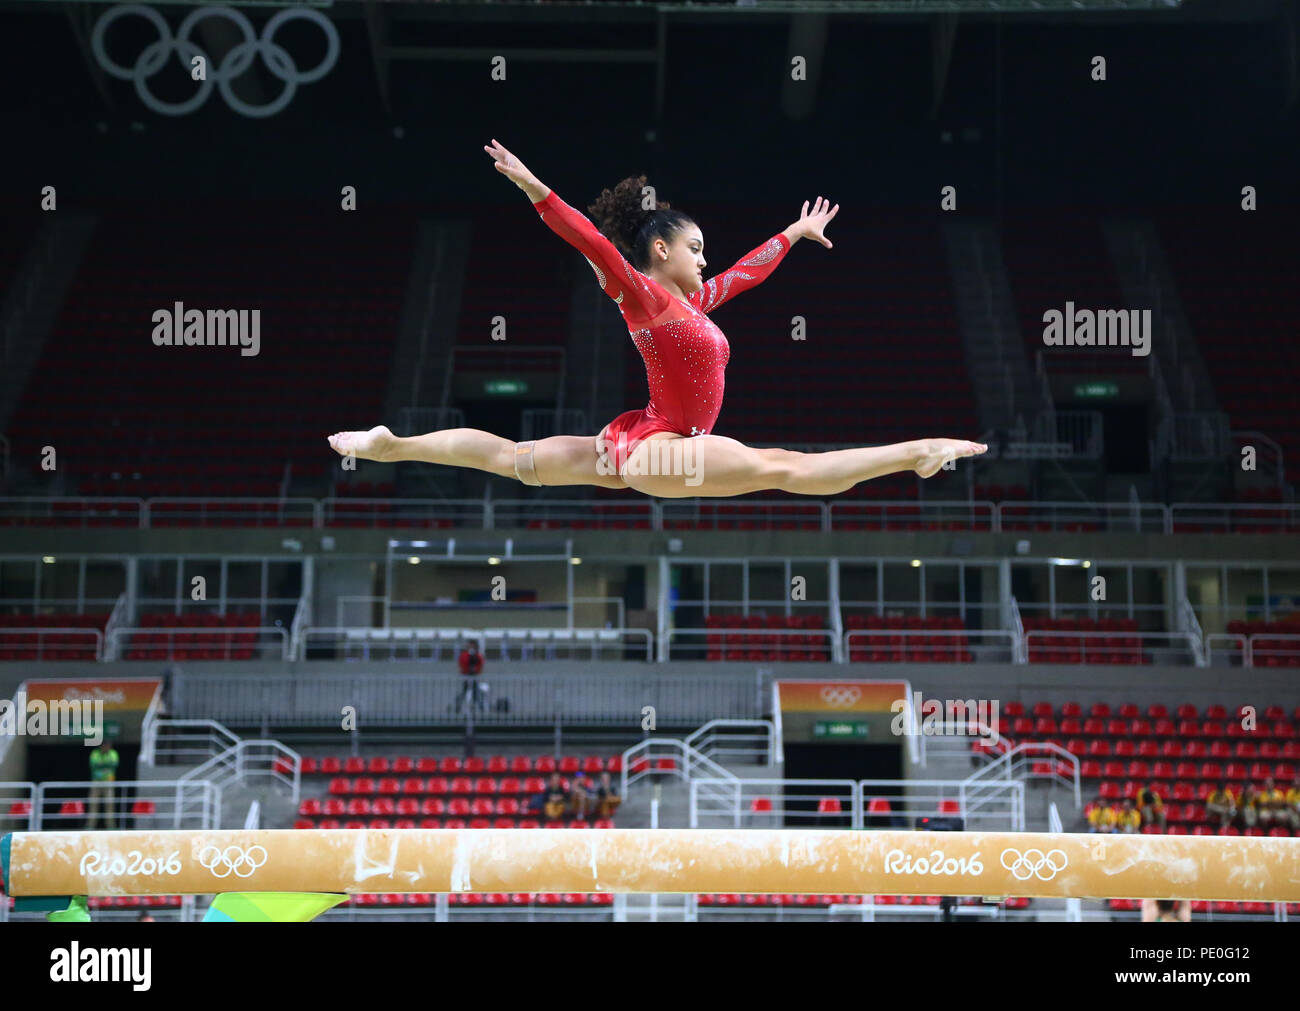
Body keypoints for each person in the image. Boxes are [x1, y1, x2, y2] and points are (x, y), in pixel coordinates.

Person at [328, 140, 987, 498]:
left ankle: (394, 446)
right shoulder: (643, 294)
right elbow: (591, 242)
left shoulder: (691, 305)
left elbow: (746, 273)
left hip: (643, 449)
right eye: (696, 248)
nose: (707, 260)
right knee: (785, 467)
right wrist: (537, 189)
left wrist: (791, 231)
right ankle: (916, 453)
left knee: (514, 458)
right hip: (661, 453)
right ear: (662, 250)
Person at [87, 738, 119, 829]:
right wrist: (106, 766)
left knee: (110, 806)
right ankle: (90, 827)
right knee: (93, 805)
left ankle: (111, 827)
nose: (107, 748)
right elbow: (94, 765)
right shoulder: (95, 753)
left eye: (109, 746)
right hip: (96, 783)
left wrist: (101, 765)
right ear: (101, 746)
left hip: (109, 783)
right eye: (105, 746)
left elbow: (114, 765)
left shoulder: (113, 753)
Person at [455, 640, 485, 715]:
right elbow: (462, 664)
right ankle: (458, 706)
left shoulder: (478, 655)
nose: (471, 647)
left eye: (472, 645)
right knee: (464, 691)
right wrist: (467, 669)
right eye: (470, 645)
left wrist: (475, 669)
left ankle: (479, 707)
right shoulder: (464, 655)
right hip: (466, 676)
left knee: (476, 692)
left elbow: (480, 664)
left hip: (474, 676)